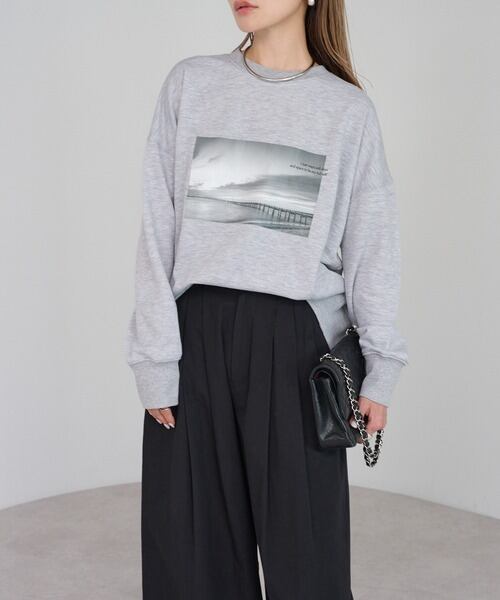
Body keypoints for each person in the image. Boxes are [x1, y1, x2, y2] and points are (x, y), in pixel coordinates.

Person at [125, 0, 409, 598]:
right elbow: (157, 228)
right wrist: (154, 359)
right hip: (195, 339)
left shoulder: (345, 110)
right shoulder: (193, 83)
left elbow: (372, 246)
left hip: (295, 350)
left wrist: (381, 367)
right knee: (191, 559)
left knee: (307, 563)